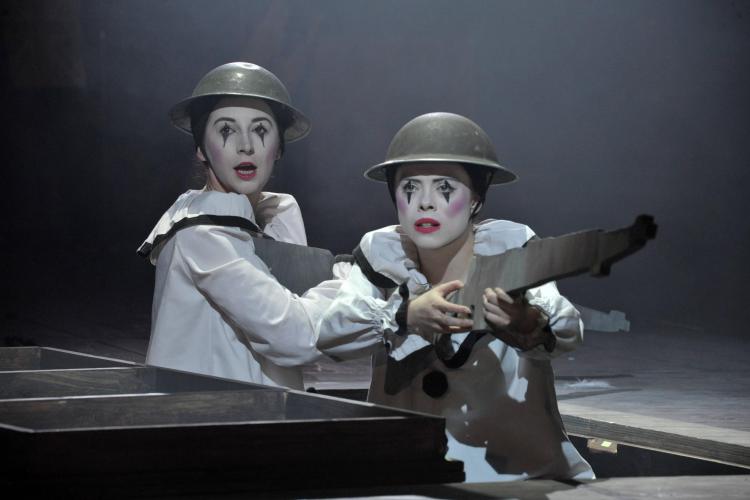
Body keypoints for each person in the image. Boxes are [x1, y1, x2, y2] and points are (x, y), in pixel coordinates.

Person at [317, 112, 594, 482]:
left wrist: (530, 322)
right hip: (409, 471)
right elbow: (332, 334)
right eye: (410, 187)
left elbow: (567, 328)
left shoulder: (510, 250)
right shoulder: (382, 253)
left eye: (444, 187)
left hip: (517, 476)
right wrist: (405, 315)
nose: (425, 203)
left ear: (476, 198)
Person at [138, 62, 339, 389]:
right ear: (201, 149)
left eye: (260, 130)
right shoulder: (201, 233)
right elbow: (294, 335)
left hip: (264, 411)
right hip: (216, 413)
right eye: (226, 130)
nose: (246, 145)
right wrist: (362, 282)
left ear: (278, 148)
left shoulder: (273, 219)